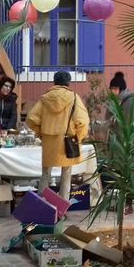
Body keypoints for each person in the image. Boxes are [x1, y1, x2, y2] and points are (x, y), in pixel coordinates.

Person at [27, 71, 90, 200]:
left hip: (49, 141)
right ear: (68, 83)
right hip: (67, 141)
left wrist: (40, 134)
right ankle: (63, 207)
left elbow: (31, 119)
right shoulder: (73, 97)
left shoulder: (45, 98)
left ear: (54, 81)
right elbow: (83, 121)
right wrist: (78, 137)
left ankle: (41, 202)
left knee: (46, 173)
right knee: (66, 174)